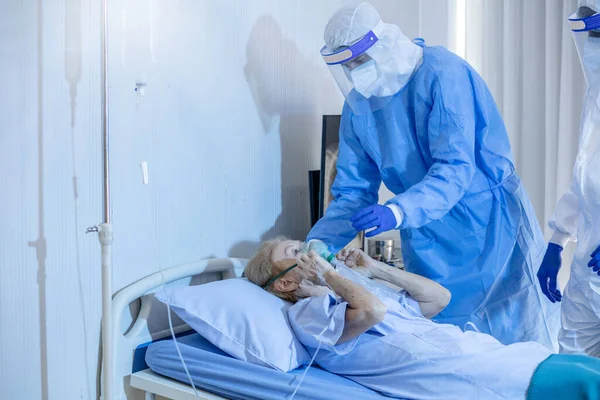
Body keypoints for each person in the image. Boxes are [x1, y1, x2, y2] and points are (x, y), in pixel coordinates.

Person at [306, 1, 559, 348]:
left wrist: (398, 210)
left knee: (515, 336)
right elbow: (351, 192)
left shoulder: (443, 73)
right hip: (428, 239)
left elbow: (456, 168)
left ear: (382, 44)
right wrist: (317, 244)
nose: (353, 70)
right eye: (345, 65)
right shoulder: (358, 106)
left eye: (358, 60)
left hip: (489, 227)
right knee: (446, 339)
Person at [244, 238, 600, 400]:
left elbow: (438, 298)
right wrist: (332, 276)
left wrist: (377, 269)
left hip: (497, 357)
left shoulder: (349, 290)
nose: (307, 249)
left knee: (586, 370)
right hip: (485, 381)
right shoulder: (307, 314)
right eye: (294, 252)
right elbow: (373, 313)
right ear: (286, 281)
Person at [537, 1, 600, 357]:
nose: (594, 43)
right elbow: (585, 179)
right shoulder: (596, 95)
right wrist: (557, 241)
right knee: (570, 371)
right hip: (587, 270)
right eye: (590, 33)